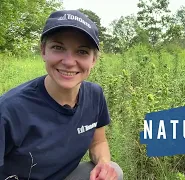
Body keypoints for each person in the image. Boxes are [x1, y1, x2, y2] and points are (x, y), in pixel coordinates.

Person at [0, 10, 123, 180]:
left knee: (114, 170)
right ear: (43, 51)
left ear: (93, 60)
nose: (69, 62)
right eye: (58, 48)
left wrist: (103, 162)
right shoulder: (9, 109)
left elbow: (98, 142)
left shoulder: (95, 95)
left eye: (82, 52)